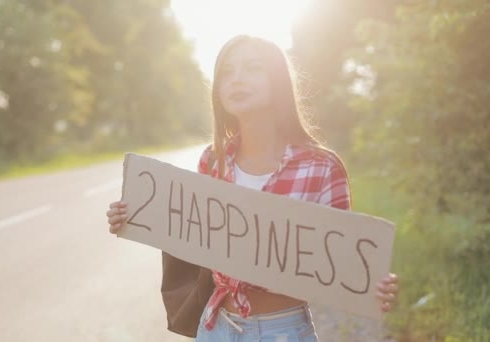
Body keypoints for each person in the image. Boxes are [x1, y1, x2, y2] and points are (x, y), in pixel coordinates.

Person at [106, 34, 399, 341]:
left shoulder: (322, 167)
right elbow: (191, 234)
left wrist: (375, 287)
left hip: (283, 330)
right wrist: (134, 217)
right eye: (228, 72)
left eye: (252, 68)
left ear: (278, 80)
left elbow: (342, 263)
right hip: (216, 326)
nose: (238, 79)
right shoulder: (213, 160)